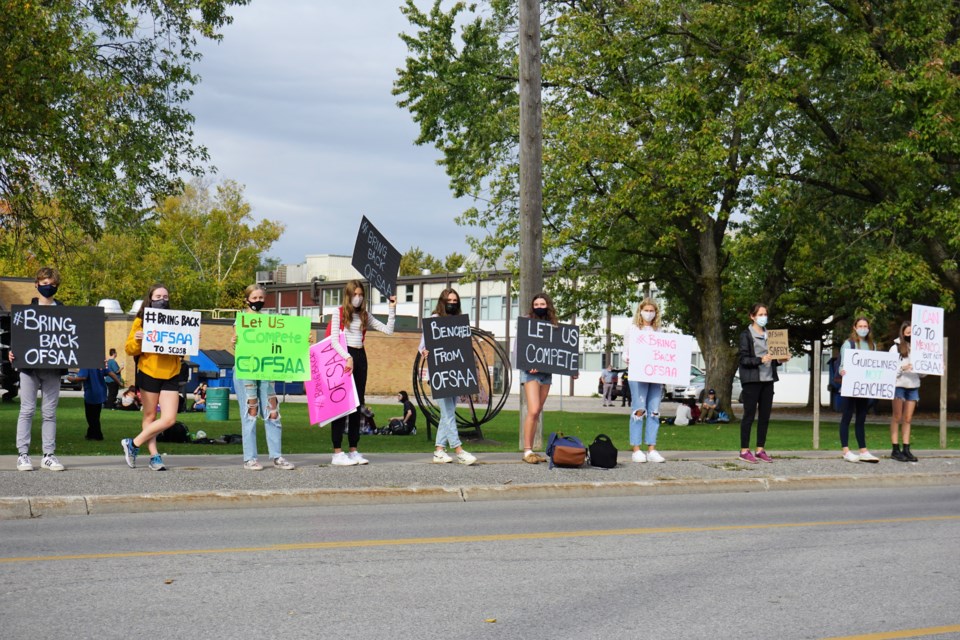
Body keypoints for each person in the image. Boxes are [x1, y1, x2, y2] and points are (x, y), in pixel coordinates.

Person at [329, 279, 396, 466]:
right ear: (348, 295)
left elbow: (388, 330)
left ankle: (353, 450)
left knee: (357, 405)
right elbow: (334, 340)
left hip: (360, 355)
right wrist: (347, 357)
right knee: (342, 406)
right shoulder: (339, 313)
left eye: (361, 295)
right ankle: (337, 452)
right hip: (344, 355)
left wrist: (391, 308)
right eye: (355, 294)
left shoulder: (365, 315)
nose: (358, 298)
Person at [232, 284, 297, 471]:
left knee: (273, 412)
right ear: (247, 300)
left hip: (267, 370)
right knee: (250, 413)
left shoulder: (270, 321)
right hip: (247, 371)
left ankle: (277, 456)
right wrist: (234, 341)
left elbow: (284, 342)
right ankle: (250, 458)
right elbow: (237, 345)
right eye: (254, 298)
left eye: (261, 298)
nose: (258, 302)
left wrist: (303, 340)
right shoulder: (241, 320)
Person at [120, 284, 184, 471]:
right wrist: (138, 340)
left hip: (171, 372)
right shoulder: (140, 321)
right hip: (149, 371)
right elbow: (129, 348)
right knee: (150, 415)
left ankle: (133, 443)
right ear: (150, 298)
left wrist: (192, 338)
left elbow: (183, 346)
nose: (162, 299)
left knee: (169, 418)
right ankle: (154, 456)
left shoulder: (177, 320)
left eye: (165, 296)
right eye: (158, 296)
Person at [12, 267, 66, 471]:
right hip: (29, 368)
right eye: (44, 284)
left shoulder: (65, 313)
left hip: (53, 369)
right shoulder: (25, 313)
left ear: (57, 287)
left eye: (51, 284)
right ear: (36, 285)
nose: (47, 287)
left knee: (49, 413)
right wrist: (13, 352)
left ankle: (48, 455)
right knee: (26, 410)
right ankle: (23, 454)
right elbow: (17, 339)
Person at [419, 289, 477, 464]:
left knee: (448, 413)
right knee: (448, 413)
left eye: (455, 300)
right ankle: (458, 450)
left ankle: (439, 450)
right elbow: (422, 345)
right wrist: (425, 351)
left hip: (455, 373)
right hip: (440, 374)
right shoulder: (435, 321)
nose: (452, 303)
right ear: (442, 301)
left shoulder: (458, 323)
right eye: (449, 300)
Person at [519, 293, 568, 464]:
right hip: (530, 372)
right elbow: (520, 346)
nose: (539, 306)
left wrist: (571, 368)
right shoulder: (526, 322)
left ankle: (531, 449)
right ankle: (527, 450)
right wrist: (527, 363)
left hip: (546, 372)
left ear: (548, 305)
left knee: (537, 411)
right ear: (532, 306)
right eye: (536, 304)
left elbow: (560, 349)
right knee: (532, 410)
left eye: (542, 304)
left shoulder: (554, 325)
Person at [737, 303, 789, 464]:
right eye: (760, 314)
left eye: (765, 314)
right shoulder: (746, 335)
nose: (763, 317)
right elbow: (743, 359)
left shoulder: (772, 335)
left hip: (768, 380)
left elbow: (774, 359)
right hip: (752, 380)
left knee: (765, 416)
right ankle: (744, 450)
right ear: (752, 316)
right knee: (749, 416)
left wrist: (781, 359)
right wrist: (760, 360)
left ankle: (760, 449)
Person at [624, 298, 666, 463]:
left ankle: (652, 448)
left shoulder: (659, 331)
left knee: (654, 410)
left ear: (656, 313)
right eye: (646, 310)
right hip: (638, 374)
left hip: (656, 375)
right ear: (640, 311)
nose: (649, 313)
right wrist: (632, 359)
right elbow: (625, 353)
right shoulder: (633, 330)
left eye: (652, 310)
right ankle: (636, 448)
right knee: (639, 409)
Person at [837, 316, 880, 463]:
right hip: (850, 386)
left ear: (868, 328)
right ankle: (846, 450)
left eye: (865, 326)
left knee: (861, 417)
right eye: (860, 326)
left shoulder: (872, 345)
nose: (863, 329)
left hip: (864, 387)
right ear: (855, 327)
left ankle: (863, 450)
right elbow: (842, 364)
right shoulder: (849, 344)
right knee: (847, 416)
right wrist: (842, 371)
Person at [890, 321, 922, 462]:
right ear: (903, 333)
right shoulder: (895, 348)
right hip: (899, 386)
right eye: (908, 333)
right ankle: (895, 449)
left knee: (908, 419)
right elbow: (890, 370)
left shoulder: (919, 349)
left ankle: (906, 449)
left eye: (912, 333)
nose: (910, 336)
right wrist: (903, 368)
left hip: (913, 385)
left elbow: (922, 374)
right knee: (897, 417)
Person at [70, 365, 110, 440]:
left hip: (91, 393)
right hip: (101, 392)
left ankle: (98, 435)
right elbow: (110, 373)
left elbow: (83, 377)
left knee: (90, 416)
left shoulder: (87, 364)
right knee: (96, 415)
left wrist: (72, 379)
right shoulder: (100, 363)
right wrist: (119, 382)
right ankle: (90, 434)